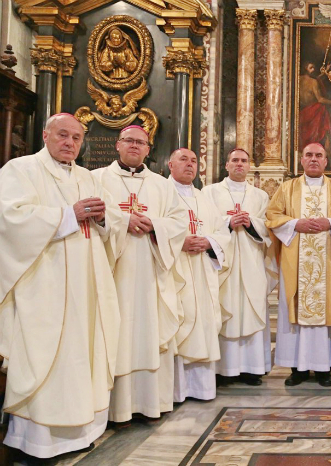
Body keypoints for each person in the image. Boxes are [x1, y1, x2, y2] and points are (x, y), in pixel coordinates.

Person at [0, 113, 120, 458]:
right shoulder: (20, 169)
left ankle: (80, 434)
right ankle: (37, 442)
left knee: (83, 353)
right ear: (45, 135)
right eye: (62, 135)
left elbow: (107, 224)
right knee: (44, 355)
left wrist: (102, 218)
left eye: (76, 138)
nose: (70, 143)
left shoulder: (86, 177)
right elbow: (9, 218)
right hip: (44, 286)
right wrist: (68, 215)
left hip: (87, 285)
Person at [93, 125, 188, 423]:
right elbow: (93, 216)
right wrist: (123, 221)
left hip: (151, 272)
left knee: (150, 329)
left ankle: (150, 404)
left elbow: (178, 222)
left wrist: (154, 225)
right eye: (129, 141)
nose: (134, 146)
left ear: (148, 149)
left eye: (140, 142)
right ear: (118, 145)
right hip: (113, 272)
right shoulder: (97, 179)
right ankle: (113, 408)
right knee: (114, 331)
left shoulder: (162, 185)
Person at [266, 142, 331, 387]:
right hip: (295, 263)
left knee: (327, 308)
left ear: (326, 161)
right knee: (294, 312)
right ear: (301, 160)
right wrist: (295, 224)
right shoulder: (287, 188)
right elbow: (272, 216)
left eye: (318, 155)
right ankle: (298, 368)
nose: (313, 159)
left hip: (329, 262)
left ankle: (324, 368)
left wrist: (330, 223)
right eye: (309, 155)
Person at [202, 148, 275, 386]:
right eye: (235, 160)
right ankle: (224, 369)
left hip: (252, 260)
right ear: (227, 165)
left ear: (249, 166)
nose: (239, 164)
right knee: (225, 308)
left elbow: (268, 226)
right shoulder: (210, 192)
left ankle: (252, 369)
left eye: (244, 161)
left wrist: (251, 222)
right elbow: (204, 222)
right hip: (223, 262)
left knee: (252, 309)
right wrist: (228, 222)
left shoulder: (260, 195)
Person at [168, 148, 230, 402]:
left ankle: (201, 388)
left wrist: (209, 242)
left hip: (203, 271)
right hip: (175, 271)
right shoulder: (163, 193)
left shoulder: (203, 198)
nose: (189, 165)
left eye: (194, 161)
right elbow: (155, 229)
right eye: (183, 159)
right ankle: (176, 391)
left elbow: (222, 233)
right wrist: (179, 243)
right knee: (177, 321)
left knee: (203, 324)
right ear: (170, 165)